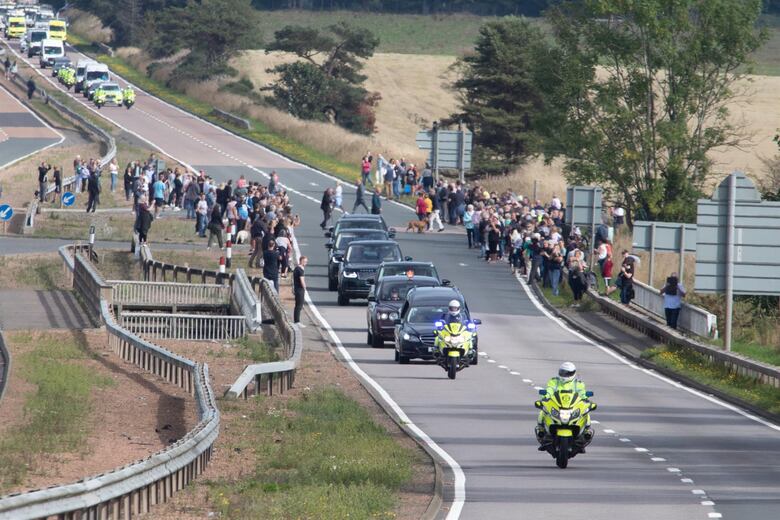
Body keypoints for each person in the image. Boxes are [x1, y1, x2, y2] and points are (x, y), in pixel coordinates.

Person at [536, 362, 593, 445]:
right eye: (562, 372)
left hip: (572, 406)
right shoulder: (554, 381)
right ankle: (541, 429)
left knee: (586, 411)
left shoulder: (578, 384)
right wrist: (546, 396)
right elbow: (550, 389)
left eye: (567, 373)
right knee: (543, 410)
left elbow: (582, 394)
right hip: (557, 405)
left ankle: (587, 431)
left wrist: (586, 399)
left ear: (572, 373)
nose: (564, 375)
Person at [293, 256, 308, 323]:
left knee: (298, 305)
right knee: (299, 305)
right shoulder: (300, 270)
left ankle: (297, 321)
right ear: (301, 261)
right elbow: (302, 280)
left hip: (297, 288)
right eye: (304, 261)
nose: (305, 263)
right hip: (299, 289)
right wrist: (305, 287)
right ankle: (297, 321)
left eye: (306, 262)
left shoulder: (297, 268)